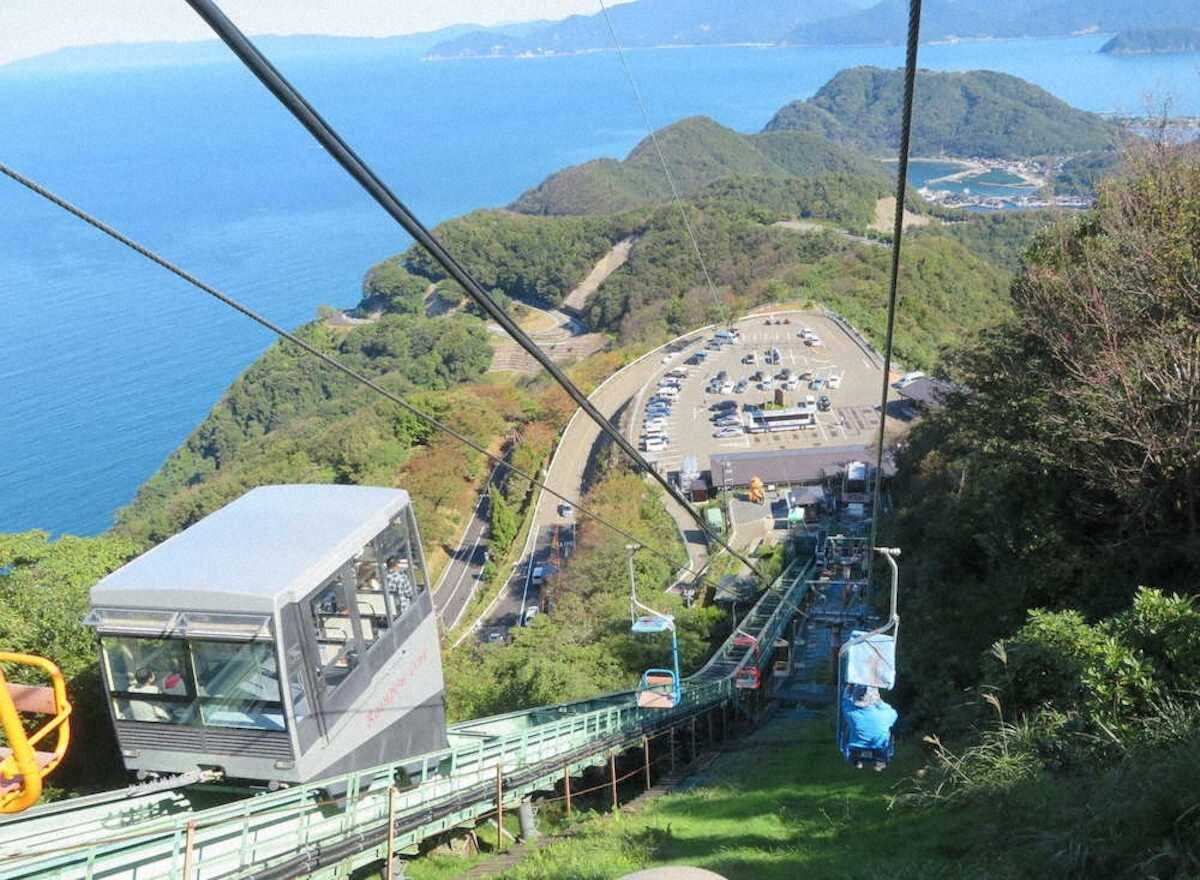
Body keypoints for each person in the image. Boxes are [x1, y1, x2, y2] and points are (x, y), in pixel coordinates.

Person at [842, 685, 898, 771]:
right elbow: (894, 715)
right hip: (879, 748)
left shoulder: (850, 712)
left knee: (848, 726)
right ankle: (880, 761)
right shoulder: (886, 714)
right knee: (887, 730)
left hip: (855, 748)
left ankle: (857, 761)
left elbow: (845, 699)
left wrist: (849, 686)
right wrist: (880, 703)